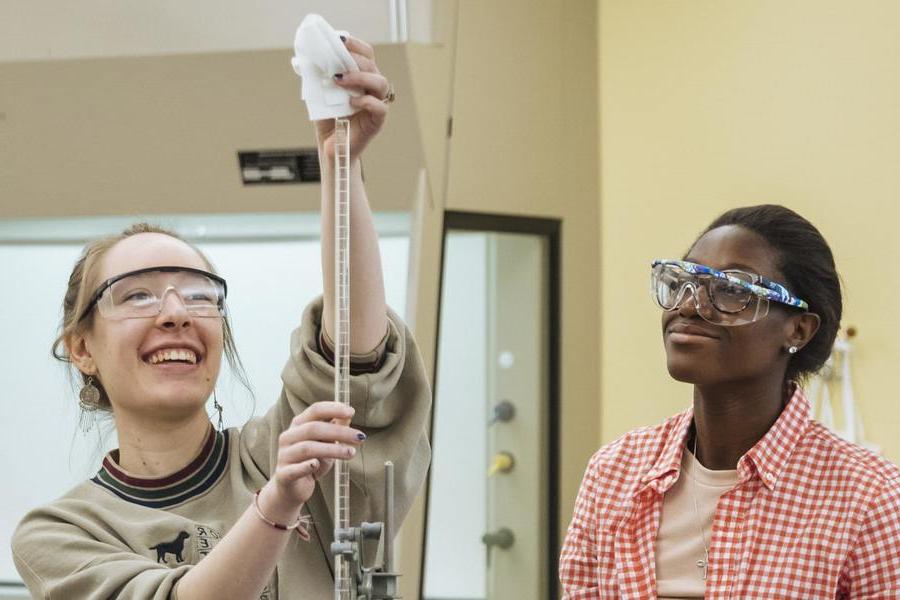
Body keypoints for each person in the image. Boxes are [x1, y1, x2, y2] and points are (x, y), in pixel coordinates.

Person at [11, 36, 430, 600]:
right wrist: (277, 506)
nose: (176, 313)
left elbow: (356, 362)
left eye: (199, 294)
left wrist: (341, 164)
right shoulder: (62, 534)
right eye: (135, 296)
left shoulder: (279, 453)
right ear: (81, 348)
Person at [560, 205, 900, 599]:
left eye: (731, 290)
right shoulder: (615, 473)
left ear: (798, 329)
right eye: (683, 280)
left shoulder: (869, 499)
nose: (688, 305)